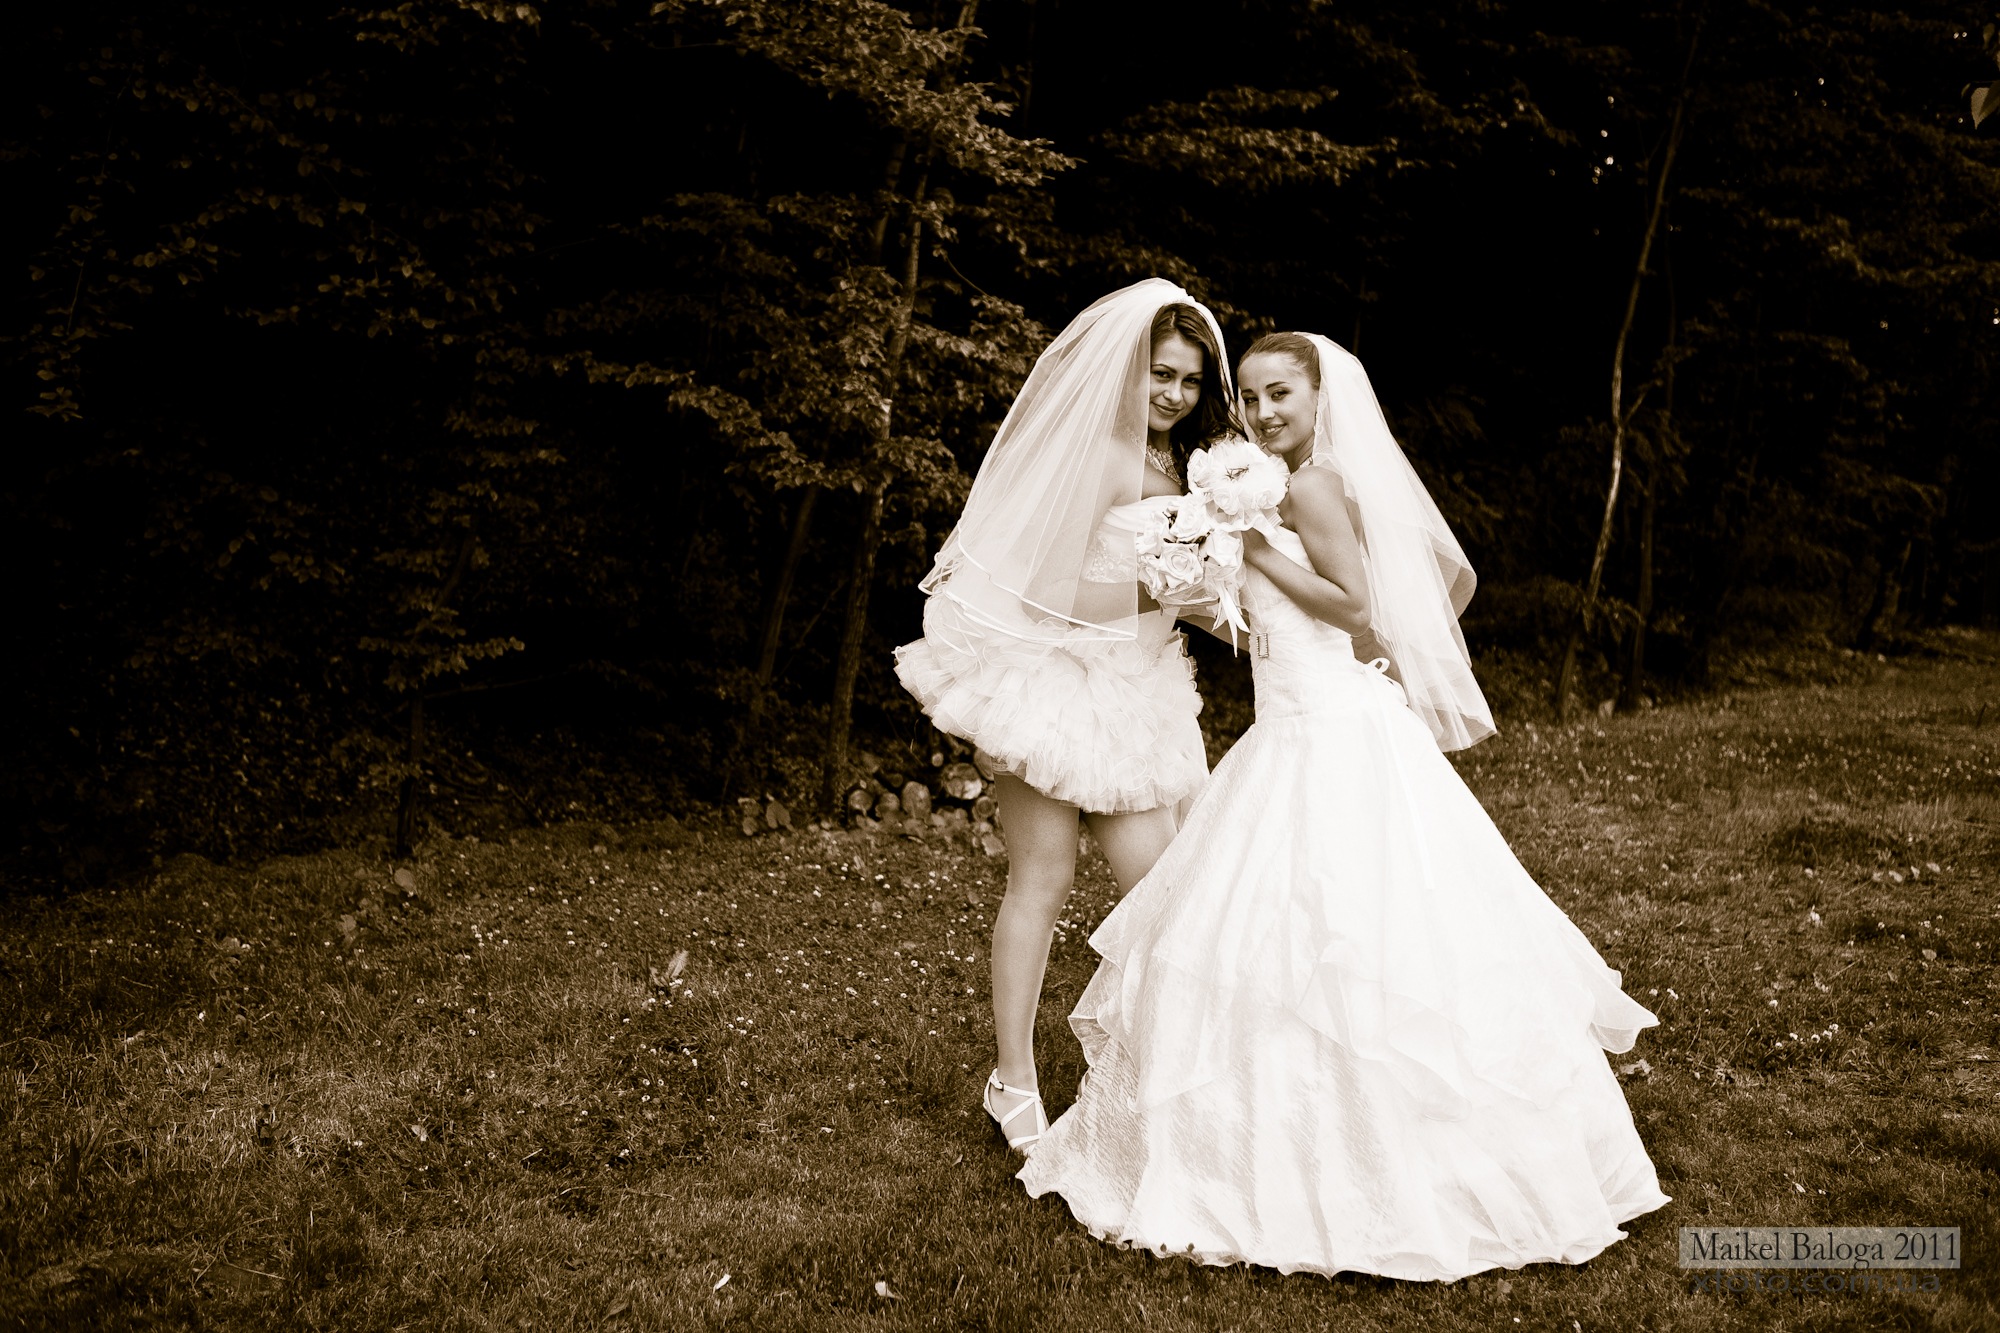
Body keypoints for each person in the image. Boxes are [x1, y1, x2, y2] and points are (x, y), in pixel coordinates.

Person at [1017, 331, 1670, 1281]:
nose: (1262, 411)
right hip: (1289, 726)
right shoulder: (1278, 488)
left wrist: (1251, 545)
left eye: (1281, 392)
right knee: (1289, 931)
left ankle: (1399, 1159)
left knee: (1351, 928)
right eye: (1249, 396)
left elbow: (1356, 608)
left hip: (1330, 732)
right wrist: (1192, 566)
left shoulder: (1314, 486)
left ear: (1322, 396)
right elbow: (1263, 615)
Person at [894, 279, 1236, 1156]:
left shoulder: (1184, 466)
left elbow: (1178, 588)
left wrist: (1225, 603)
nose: (1174, 393)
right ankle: (1012, 1079)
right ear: (1129, 369)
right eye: (1161, 373)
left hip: (1139, 689)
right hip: (1057, 685)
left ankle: (1156, 1065)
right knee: (1041, 880)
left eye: (1190, 380)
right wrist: (1165, 585)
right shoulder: (1102, 456)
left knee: (1162, 888)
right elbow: (1049, 588)